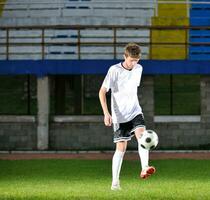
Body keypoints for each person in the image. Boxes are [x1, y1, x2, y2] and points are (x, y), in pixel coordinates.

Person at [99, 43, 155, 191]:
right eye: (131, 60)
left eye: (136, 60)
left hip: (135, 111)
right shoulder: (114, 70)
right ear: (125, 56)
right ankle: (115, 183)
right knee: (121, 148)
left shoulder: (139, 69)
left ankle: (144, 167)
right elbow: (102, 92)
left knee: (142, 136)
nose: (133, 63)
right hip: (119, 116)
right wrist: (106, 113)